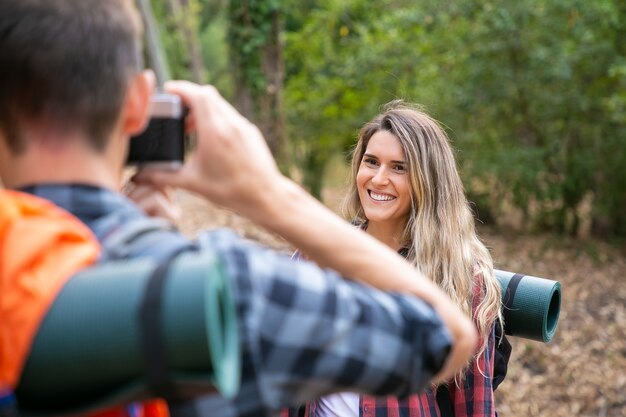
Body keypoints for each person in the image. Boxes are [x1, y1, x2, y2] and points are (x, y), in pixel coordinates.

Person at [0, 2, 477, 417]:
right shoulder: (232, 292)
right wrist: (270, 195)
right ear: (139, 103)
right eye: (370, 162)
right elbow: (446, 337)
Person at [290, 101, 503, 417]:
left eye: (399, 167)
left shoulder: (460, 280)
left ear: (427, 181)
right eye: (371, 162)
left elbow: (473, 409)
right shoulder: (317, 256)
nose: (378, 179)